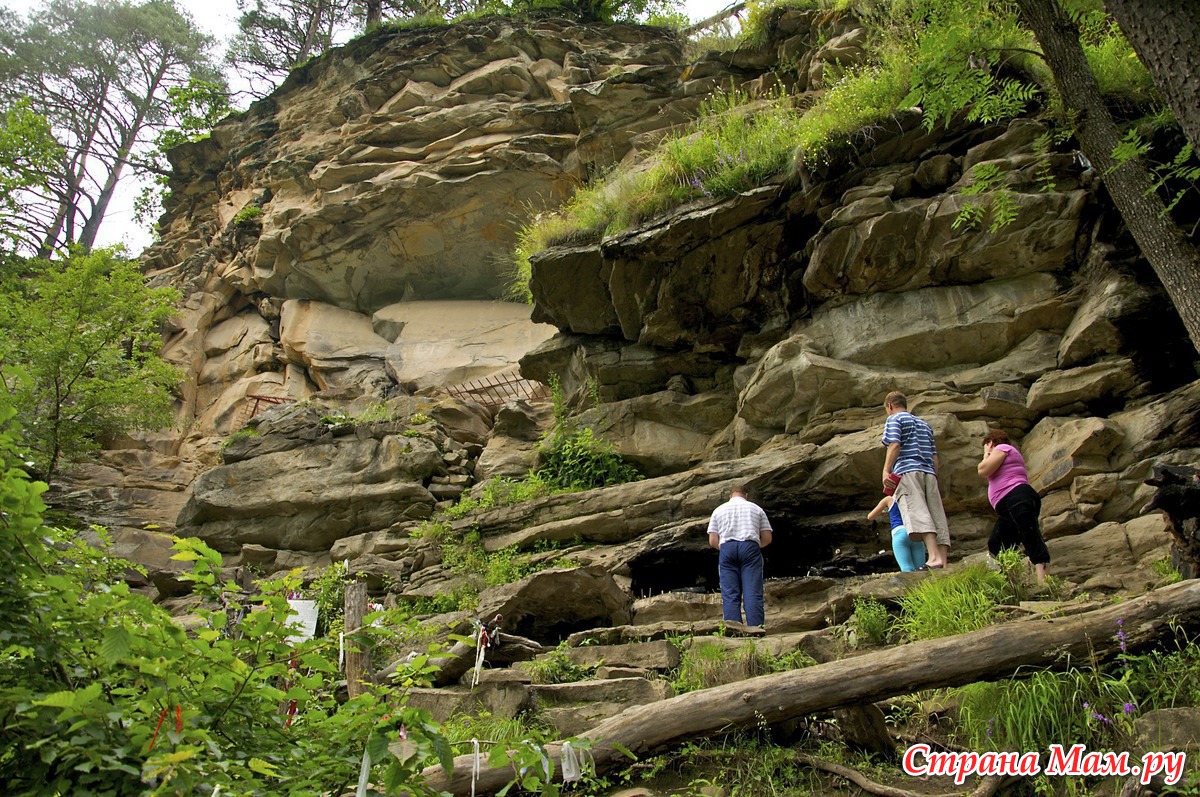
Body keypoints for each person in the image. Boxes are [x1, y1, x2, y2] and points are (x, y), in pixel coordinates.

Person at [881, 391, 951, 568]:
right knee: (936, 514)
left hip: (907, 471)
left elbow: (894, 444)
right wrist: (933, 476)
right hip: (929, 472)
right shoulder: (924, 425)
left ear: (890, 406)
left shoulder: (894, 419)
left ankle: (933, 557)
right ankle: (943, 561)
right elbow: (935, 457)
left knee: (919, 512)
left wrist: (886, 470)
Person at [977, 429, 1051, 581]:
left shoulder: (1002, 448)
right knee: (997, 543)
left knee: (1030, 535)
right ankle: (1012, 583)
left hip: (1016, 497)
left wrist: (987, 453)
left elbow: (983, 470)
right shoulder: (1007, 452)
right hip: (1011, 504)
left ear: (990, 443)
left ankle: (1044, 583)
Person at [707, 486, 773, 627]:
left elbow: (712, 541)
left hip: (727, 548)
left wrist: (725, 549)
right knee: (752, 592)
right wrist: (754, 546)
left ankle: (734, 631)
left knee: (730, 593)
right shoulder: (756, 509)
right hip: (750, 547)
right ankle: (756, 630)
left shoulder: (718, 510)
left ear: (730, 496)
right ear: (746, 495)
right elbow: (767, 537)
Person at [867, 489, 927, 572]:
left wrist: (886, 511)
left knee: (906, 568)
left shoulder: (889, 499)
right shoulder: (913, 497)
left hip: (899, 533)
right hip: (915, 532)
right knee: (921, 568)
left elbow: (870, 517)